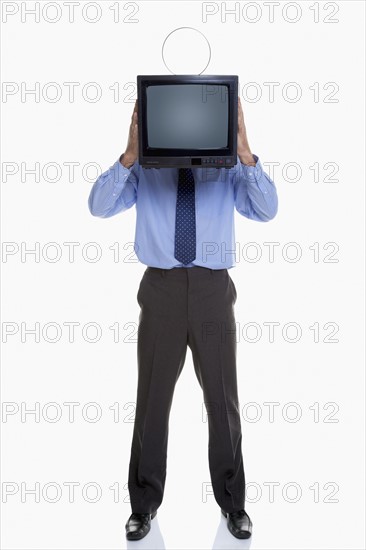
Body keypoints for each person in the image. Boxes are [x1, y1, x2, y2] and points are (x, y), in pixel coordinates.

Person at [88, 96, 278, 541]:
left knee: (223, 402)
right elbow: (98, 205)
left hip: (213, 290)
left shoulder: (228, 165)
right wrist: (130, 154)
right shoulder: (144, 167)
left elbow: (267, 210)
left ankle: (234, 504)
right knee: (152, 402)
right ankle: (143, 506)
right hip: (161, 290)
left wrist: (246, 152)